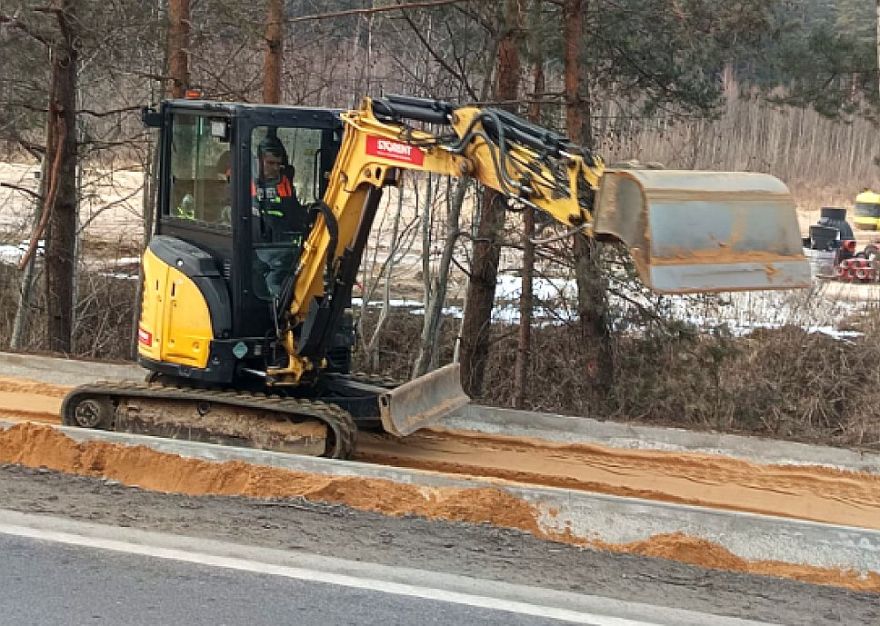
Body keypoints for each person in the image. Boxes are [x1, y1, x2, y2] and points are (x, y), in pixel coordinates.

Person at [252, 134, 307, 299]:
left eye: (278, 164)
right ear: (258, 162)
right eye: (270, 163)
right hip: (254, 246)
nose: (275, 168)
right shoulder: (246, 180)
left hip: (280, 246)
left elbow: (293, 212)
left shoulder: (284, 183)